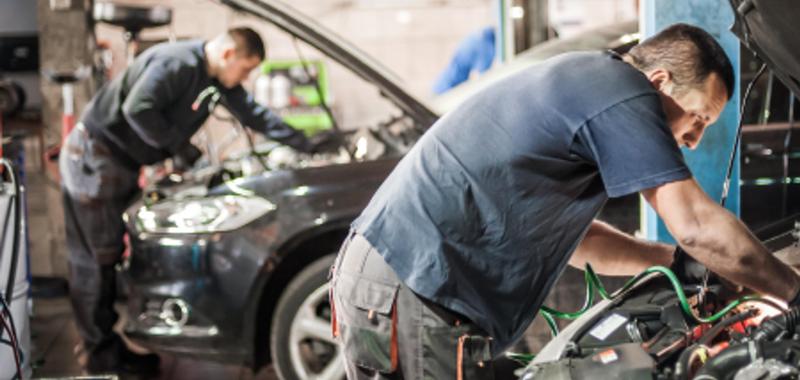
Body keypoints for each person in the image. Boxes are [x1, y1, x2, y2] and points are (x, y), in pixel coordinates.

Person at [330, 23, 800, 379]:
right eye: (696, 118)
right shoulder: (622, 93)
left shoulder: (589, 83)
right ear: (658, 82)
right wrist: (792, 291)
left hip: (391, 281)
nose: (694, 139)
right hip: (410, 285)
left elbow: (582, 243)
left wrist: (670, 263)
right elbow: (695, 224)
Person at [59, 27, 337, 374]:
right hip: (94, 158)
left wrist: (311, 144)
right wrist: (181, 148)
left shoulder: (217, 81)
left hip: (119, 163)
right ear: (227, 55)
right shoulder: (176, 63)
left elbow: (256, 116)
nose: (246, 78)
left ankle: (106, 349)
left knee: (109, 255)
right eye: (246, 69)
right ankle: (99, 360)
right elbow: (138, 108)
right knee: (94, 261)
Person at [432, 26, 495, 95]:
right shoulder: (485, 46)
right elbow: (483, 77)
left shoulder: (474, 37)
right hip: (448, 89)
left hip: (441, 85)